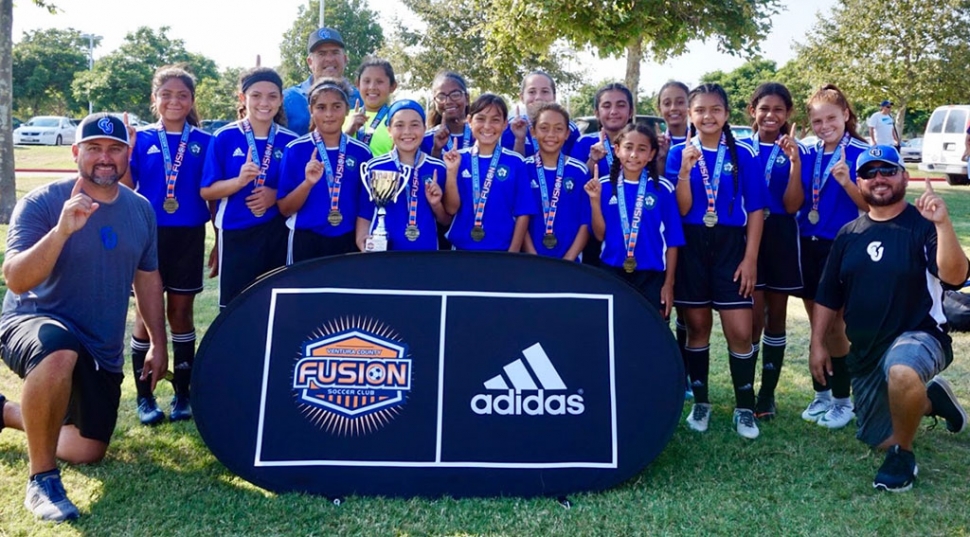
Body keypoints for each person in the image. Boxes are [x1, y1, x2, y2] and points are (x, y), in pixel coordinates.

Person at [0, 113, 167, 522]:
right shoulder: (41, 202)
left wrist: (159, 343)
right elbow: (18, 280)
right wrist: (61, 231)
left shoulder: (141, 210)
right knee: (59, 351)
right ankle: (42, 481)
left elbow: (147, 280)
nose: (104, 158)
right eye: (94, 148)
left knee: (87, 449)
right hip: (34, 322)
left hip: (98, 347)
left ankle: (4, 413)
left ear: (128, 154)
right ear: (76, 152)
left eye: (114, 149)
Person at [811, 144, 968, 492]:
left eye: (887, 170)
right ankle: (931, 401)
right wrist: (817, 344)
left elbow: (955, 276)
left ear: (904, 175)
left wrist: (942, 225)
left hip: (920, 337)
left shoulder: (923, 225)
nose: (878, 179)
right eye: (869, 173)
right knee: (874, 437)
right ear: (859, 181)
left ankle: (902, 455)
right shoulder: (848, 234)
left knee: (902, 369)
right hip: (866, 356)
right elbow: (827, 296)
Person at [667, 83, 767, 439]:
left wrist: (751, 258)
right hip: (691, 245)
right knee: (696, 328)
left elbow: (756, 210)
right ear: (690, 115)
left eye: (715, 110)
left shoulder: (745, 155)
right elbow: (678, 209)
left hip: (731, 246)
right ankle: (702, 402)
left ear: (726, 114)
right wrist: (683, 171)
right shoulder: (678, 152)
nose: (707, 116)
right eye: (700, 110)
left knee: (740, 331)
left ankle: (744, 407)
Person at [123, 66, 212, 425]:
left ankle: (182, 394)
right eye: (167, 94)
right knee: (146, 317)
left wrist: (219, 242)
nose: (174, 100)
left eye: (182, 95)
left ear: (191, 101)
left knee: (180, 314)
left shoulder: (205, 141)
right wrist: (127, 148)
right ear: (154, 98)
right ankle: (145, 398)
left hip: (189, 235)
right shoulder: (141, 138)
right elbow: (127, 187)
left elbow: (212, 198)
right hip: (148, 234)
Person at [797, 84, 871, 429]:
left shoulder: (861, 152)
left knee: (835, 327)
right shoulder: (809, 152)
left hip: (843, 246)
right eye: (817, 121)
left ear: (846, 115)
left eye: (831, 118)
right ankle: (822, 395)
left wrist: (846, 182)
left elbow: (873, 207)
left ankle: (844, 400)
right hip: (808, 243)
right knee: (817, 326)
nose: (824, 126)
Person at [201, 67, 298, 308]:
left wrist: (274, 196)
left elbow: (298, 192)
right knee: (234, 306)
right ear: (243, 98)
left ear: (280, 100)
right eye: (256, 95)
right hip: (236, 232)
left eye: (272, 96)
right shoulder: (224, 137)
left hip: (277, 232)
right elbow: (207, 191)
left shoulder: (291, 141)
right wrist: (239, 182)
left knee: (273, 303)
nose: (264, 102)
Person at [742, 83, 805, 420]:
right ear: (753, 110)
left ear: (788, 114)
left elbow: (793, 204)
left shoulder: (796, 150)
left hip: (779, 232)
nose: (771, 115)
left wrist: (794, 163)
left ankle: (768, 394)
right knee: (751, 318)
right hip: (748, 234)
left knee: (775, 318)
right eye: (764, 108)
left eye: (778, 110)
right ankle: (746, 390)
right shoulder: (739, 149)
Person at [585, 122, 683, 315]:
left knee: (649, 331)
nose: (633, 155)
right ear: (617, 150)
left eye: (642, 149)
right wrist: (595, 202)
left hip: (651, 274)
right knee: (617, 328)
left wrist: (668, 283)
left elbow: (673, 240)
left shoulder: (662, 189)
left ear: (651, 155)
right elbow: (599, 235)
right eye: (628, 147)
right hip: (612, 270)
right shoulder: (603, 186)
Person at [278, 78, 372, 262]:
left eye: (336, 106)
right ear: (311, 111)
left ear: (346, 109)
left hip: (348, 240)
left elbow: (365, 207)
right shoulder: (296, 150)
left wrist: (362, 239)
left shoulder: (361, 152)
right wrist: (307, 184)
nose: (329, 114)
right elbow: (285, 208)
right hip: (305, 241)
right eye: (321, 107)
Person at [442, 93, 534, 252]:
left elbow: (523, 212)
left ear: (505, 124)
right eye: (481, 119)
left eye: (495, 120)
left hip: (502, 251)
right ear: (469, 121)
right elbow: (451, 209)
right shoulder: (457, 159)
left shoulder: (516, 162)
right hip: (462, 251)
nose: (487, 126)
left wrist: (513, 252)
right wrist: (451, 172)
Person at [356, 100, 450, 251]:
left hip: (426, 252)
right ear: (389, 130)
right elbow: (365, 212)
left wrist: (436, 204)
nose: (407, 131)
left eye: (414, 124)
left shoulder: (438, 168)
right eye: (399, 125)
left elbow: (445, 220)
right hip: (385, 253)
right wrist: (361, 240)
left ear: (425, 129)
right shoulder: (375, 166)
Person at [571, 83, 635, 267]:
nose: (613, 111)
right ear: (597, 112)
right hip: (593, 229)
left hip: (633, 226)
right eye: (606, 106)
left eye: (621, 105)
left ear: (630, 111)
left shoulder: (641, 141)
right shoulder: (584, 143)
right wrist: (592, 160)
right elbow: (573, 187)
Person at [522, 103, 589, 260]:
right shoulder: (523, 168)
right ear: (533, 132)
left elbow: (585, 221)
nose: (551, 134)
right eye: (544, 128)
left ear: (567, 134)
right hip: (530, 261)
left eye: (558, 129)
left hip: (570, 262)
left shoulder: (579, 170)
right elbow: (519, 218)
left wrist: (569, 260)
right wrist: (533, 257)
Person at [282, 27, 361, 136]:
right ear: (310, 62)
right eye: (322, 53)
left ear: (345, 59)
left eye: (335, 52)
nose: (329, 59)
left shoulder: (360, 98)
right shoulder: (288, 99)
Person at [501, 71, 581, 157]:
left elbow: (576, 165)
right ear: (522, 97)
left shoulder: (569, 128)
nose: (538, 97)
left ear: (554, 97)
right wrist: (520, 141)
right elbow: (509, 167)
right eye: (532, 92)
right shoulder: (509, 127)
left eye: (545, 91)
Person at [343, 57, 397, 157]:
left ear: (392, 87)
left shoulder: (397, 119)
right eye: (367, 81)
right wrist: (349, 131)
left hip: (382, 172)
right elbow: (331, 153)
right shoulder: (343, 117)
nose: (372, 87)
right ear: (357, 84)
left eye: (379, 82)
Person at [422, 71, 474, 159]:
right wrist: (436, 151)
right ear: (434, 102)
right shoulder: (425, 140)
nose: (448, 101)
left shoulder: (482, 135)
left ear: (467, 98)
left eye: (455, 95)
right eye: (441, 97)